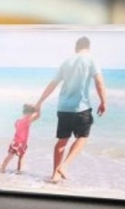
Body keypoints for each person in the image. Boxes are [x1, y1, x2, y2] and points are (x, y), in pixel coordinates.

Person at [35, 36, 107, 183]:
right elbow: (99, 82)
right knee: (83, 137)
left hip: (63, 108)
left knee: (62, 141)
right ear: (88, 47)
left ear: (76, 47)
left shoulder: (66, 62)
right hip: (81, 108)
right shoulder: (91, 59)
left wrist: (40, 102)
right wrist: (103, 101)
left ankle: (55, 175)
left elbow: (53, 84)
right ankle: (64, 166)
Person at [0, 103, 40, 173]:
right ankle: (19, 171)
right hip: (22, 143)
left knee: (10, 156)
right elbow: (38, 115)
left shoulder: (18, 121)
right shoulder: (27, 120)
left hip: (15, 141)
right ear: (30, 113)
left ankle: (2, 168)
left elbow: (17, 127)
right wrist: (38, 108)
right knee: (21, 157)